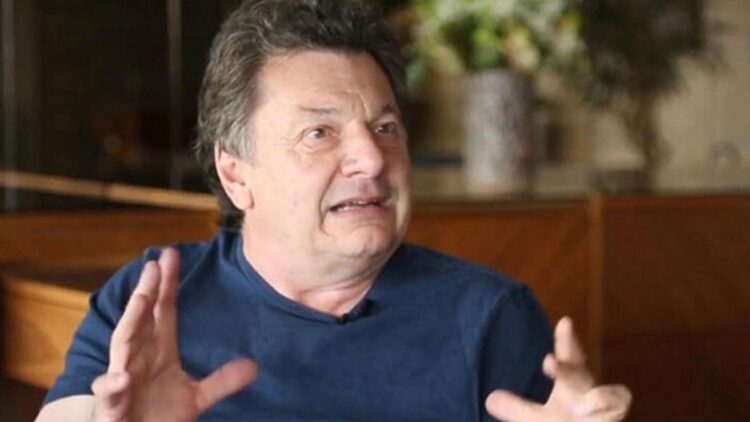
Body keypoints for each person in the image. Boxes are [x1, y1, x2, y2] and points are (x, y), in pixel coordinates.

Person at [36, 0, 631, 420]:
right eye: (319, 133)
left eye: (385, 127)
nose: (371, 158)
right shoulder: (153, 301)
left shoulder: (489, 317)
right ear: (235, 173)